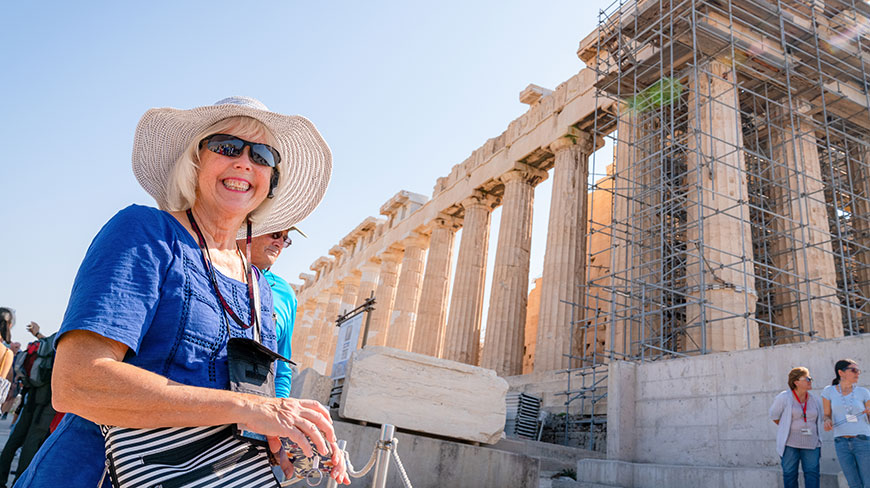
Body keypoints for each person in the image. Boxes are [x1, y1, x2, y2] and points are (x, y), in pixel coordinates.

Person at [15, 96, 349, 487]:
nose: (244, 162)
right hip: (98, 474)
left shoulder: (260, 286)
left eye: (262, 155)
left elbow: (249, 407)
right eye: (226, 147)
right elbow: (78, 385)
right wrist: (253, 407)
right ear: (194, 161)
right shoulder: (145, 233)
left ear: (271, 181)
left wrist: (290, 436)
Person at [238, 228, 301, 398]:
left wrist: (280, 407)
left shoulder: (285, 294)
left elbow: (281, 367)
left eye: (285, 239)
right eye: (275, 234)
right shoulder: (206, 267)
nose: (279, 243)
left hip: (254, 409)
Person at [0, 324, 56, 488]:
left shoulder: (53, 339)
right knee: (33, 441)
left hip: (31, 395)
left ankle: (1, 478)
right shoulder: (62, 339)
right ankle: (20, 482)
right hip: (46, 400)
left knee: (15, 438)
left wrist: (38, 334)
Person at [770, 367, 824, 488]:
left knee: (812, 474)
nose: (810, 381)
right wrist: (787, 427)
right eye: (807, 378)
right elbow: (774, 415)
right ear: (796, 382)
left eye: (810, 379)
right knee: (790, 474)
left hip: (812, 444)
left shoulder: (815, 399)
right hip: (790, 444)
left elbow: (820, 418)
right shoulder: (784, 397)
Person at [822, 359, 870, 488]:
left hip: (863, 441)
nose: (858, 373)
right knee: (853, 484)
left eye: (858, 370)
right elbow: (826, 415)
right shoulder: (828, 391)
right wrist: (827, 421)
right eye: (853, 370)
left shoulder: (863, 392)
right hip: (841, 443)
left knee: (868, 483)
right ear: (841, 373)